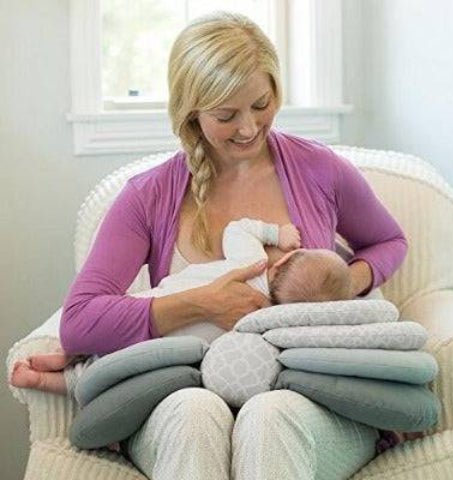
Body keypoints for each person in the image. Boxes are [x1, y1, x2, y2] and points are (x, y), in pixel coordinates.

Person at [47, 10, 409, 479]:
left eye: (261, 104)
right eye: (226, 115)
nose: (249, 128)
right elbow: (79, 321)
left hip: (301, 402)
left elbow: (388, 241)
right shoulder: (147, 196)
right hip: (186, 397)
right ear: (191, 112)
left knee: (268, 416)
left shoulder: (321, 170)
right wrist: (201, 303)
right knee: (195, 415)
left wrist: (337, 289)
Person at [10, 218, 353, 396]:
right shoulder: (266, 326)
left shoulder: (253, 262)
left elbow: (237, 229)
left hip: (154, 306)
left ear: (284, 261)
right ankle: (55, 379)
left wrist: (276, 233)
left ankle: (69, 354)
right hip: (169, 352)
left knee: (113, 324)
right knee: (119, 374)